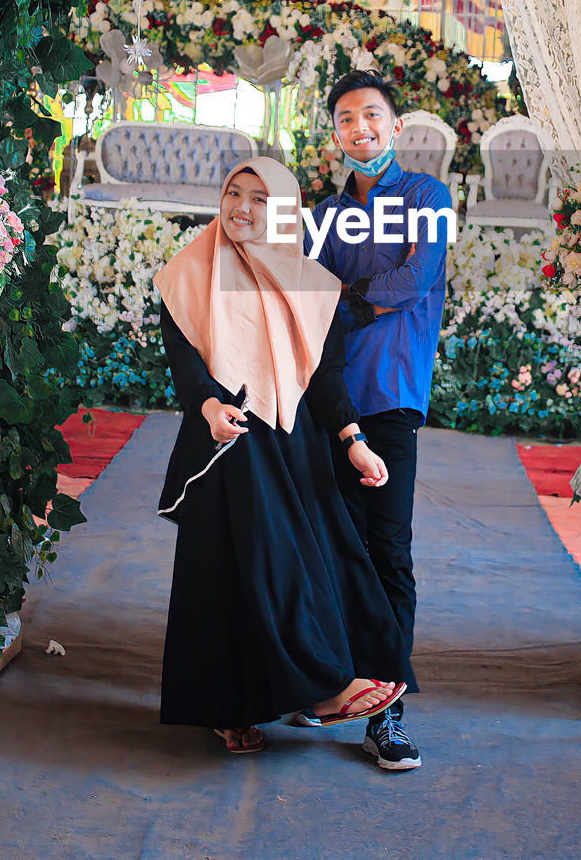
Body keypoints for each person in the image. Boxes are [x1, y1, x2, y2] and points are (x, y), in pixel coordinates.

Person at [154, 155, 414, 755]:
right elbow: (185, 359)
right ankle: (274, 699)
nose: (242, 208)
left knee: (322, 554)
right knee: (247, 568)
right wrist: (209, 407)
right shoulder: (190, 270)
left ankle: (331, 685)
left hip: (292, 436)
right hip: (227, 437)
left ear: (283, 211)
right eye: (233, 194)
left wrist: (352, 440)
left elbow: (323, 376)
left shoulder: (310, 283)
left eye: (258, 198)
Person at [304, 69, 452, 772]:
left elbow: (415, 279)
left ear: (395, 126)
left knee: (386, 551)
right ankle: (332, 685)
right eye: (344, 120)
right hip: (328, 397)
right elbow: (308, 292)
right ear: (333, 135)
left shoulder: (426, 195)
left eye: (370, 116)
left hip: (389, 394)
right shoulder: (328, 214)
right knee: (330, 545)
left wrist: (350, 300)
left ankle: (388, 713)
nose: (358, 129)